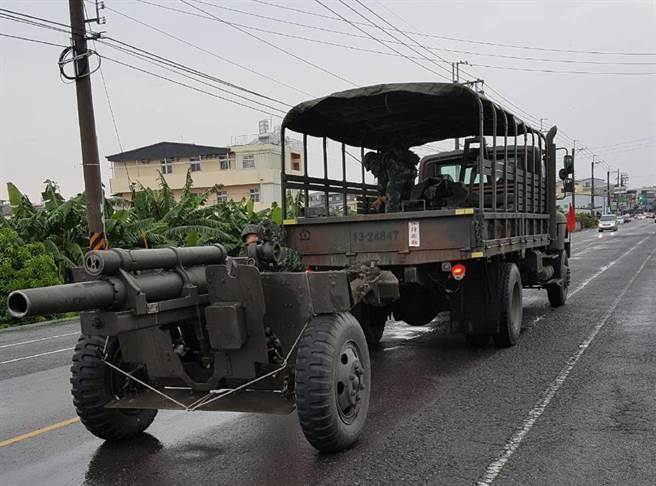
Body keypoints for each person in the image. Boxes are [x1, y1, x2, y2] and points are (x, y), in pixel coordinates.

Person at [363, 148, 419, 213]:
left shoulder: (386, 161)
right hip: (409, 171)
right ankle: (405, 213)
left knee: (392, 200)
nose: (372, 171)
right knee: (406, 197)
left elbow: (391, 193)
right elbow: (384, 187)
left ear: (373, 162)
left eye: (371, 168)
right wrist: (380, 199)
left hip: (399, 171)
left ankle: (391, 220)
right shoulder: (383, 163)